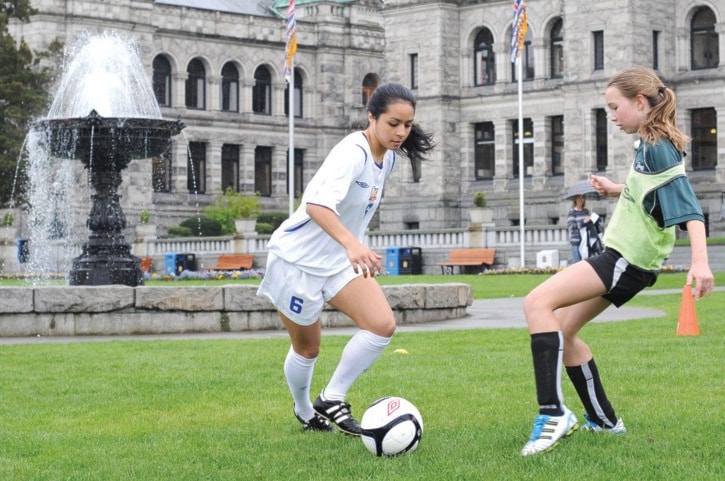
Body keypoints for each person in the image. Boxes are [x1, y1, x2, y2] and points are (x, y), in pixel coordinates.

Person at [519, 66, 715, 456]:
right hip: (628, 261)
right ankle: (605, 422)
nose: (611, 116)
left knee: (536, 302)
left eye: (614, 107)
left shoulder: (658, 146)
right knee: (565, 330)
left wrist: (700, 263)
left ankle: (553, 412)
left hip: (625, 258)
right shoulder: (650, 143)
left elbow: (690, 209)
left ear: (640, 103)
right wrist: (616, 189)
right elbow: (650, 187)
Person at [256, 83, 434, 434]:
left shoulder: (391, 157)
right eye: (393, 123)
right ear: (372, 117)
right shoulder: (351, 152)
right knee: (307, 349)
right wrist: (354, 245)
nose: (401, 132)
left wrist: (349, 248)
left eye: (407, 125)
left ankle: (332, 396)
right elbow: (316, 206)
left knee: (382, 325)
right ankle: (306, 410)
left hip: (338, 261)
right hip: (296, 261)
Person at [567, 194, 590, 263]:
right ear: (575, 200)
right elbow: (571, 226)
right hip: (576, 241)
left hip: (586, 241)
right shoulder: (572, 212)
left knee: (586, 263)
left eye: (582, 198)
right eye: (579, 198)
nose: (581, 200)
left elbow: (588, 225)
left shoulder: (586, 211)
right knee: (577, 263)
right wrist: (583, 222)